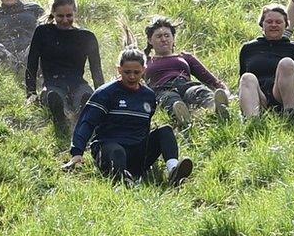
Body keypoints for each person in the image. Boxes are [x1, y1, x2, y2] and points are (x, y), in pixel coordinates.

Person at [63, 48, 195, 186]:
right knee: (117, 151)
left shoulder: (148, 96)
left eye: (136, 72)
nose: (132, 76)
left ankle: (174, 171)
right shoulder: (105, 93)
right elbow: (87, 122)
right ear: (119, 70)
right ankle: (123, 179)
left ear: (144, 70)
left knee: (165, 131)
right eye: (127, 72)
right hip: (109, 150)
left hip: (137, 152)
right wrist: (77, 153)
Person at [25, 0, 104, 134]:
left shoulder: (86, 37)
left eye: (69, 16)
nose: (65, 20)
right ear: (53, 13)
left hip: (78, 83)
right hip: (53, 83)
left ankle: (81, 117)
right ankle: (60, 118)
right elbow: (32, 63)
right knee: (54, 97)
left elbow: (96, 70)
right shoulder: (43, 32)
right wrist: (30, 92)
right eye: (60, 16)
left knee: (86, 97)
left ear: (75, 13)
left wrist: (104, 95)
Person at [142, 16, 229, 125]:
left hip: (186, 85)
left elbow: (208, 78)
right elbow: (129, 78)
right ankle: (182, 118)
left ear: (173, 38)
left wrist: (224, 90)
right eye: (159, 36)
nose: (164, 39)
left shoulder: (185, 57)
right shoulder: (144, 61)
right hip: (162, 90)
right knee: (170, 100)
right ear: (150, 40)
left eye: (167, 35)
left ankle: (217, 107)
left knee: (199, 92)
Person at [237, 4, 294, 118]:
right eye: (269, 22)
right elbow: (242, 81)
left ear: (285, 25)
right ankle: (252, 121)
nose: (274, 25)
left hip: (281, 95)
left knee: (287, 63)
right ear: (262, 24)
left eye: (278, 22)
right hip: (259, 97)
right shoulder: (248, 49)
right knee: (247, 77)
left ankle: (289, 113)